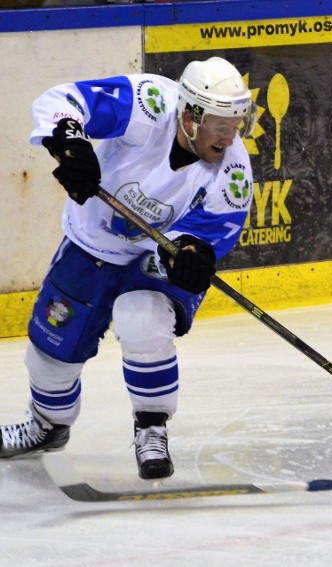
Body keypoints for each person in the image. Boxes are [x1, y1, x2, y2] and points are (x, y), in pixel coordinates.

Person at [0, 57, 256, 480]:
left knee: (141, 317)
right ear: (190, 114)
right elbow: (63, 100)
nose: (230, 138)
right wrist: (71, 145)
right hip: (91, 243)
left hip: (152, 259)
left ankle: (151, 427)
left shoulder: (231, 174)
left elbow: (210, 236)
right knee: (48, 354)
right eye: (220, 125)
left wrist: (189, 254)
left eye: (236, 125)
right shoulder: (150, 103)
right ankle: (46, 426)